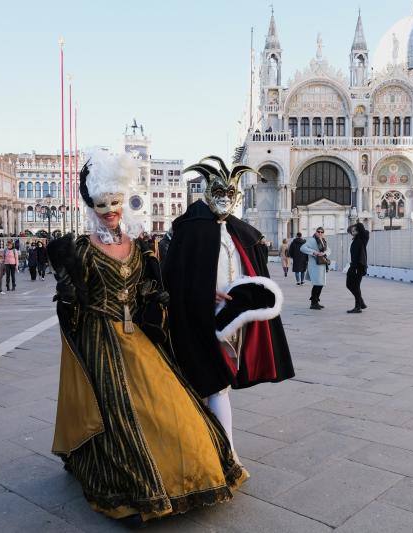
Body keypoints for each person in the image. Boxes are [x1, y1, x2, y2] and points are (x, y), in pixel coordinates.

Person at [48, 151, 247, 525]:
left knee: (171, 406)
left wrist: (204, 292)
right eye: (103, 204)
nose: (110, 210)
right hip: (99, 339)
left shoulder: (141, 246)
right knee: (117, 412)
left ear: (124, 201)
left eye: (116, 202)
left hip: (138, 338)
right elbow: (70, 305)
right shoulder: (80, 249)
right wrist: (68, 286)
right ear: (92, 204)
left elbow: (162, 287)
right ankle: (137, 486)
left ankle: (195, 469)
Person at [164, 155, 294, 453]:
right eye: (219, 193)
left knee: (220, 384)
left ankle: (216, 450)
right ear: (209, 192)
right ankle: (223, 453)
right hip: (201, 318)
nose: (225, 199)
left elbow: (252, 269)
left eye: (230, 194)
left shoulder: (241, 231)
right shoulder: (190, 229)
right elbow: (174, 275)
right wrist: (203, 290)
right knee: (214, 384)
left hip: (235, 322)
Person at [300, 227, 330, 310]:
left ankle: (316, 301)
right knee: (317, 284)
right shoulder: (312, 240)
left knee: (320, 284)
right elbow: (302, 248)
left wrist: (324, 253)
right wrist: (314, 252)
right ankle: (313, 303)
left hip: (322, 264)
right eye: (318, 231)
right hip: (314, 265)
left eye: (322, 232)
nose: (320, 233)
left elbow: (329, 250)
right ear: (316, 232)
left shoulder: (324, 240)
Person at [346, 222, 370, 313]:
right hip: (353, 265)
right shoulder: (355, 240)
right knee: (349, 285)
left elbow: (364, 230)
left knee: (355, 286)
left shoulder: (362, 239)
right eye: (351, 231)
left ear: (358, 230)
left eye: (354, 230)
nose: (352, 232)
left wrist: (356, 223)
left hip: (358, 266)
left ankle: (358, 306)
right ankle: (361, 303)